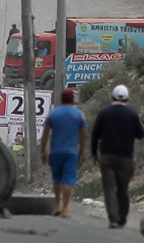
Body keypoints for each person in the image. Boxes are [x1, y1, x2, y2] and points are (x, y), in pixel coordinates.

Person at [90, 84, 144, 229]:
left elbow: (95, 134)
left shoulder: (104, 113)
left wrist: (94, 153)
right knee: (123, 189)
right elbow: (141, 134)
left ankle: (113, 219)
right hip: (125, 157)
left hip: (107, 156)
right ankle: (122, 217)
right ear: (127, 99)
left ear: (112, 97)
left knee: (109, 187)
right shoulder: (132, 114)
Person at [40, 89, 88, 218]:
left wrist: (43, 150)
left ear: (61, 99)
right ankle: (65, 207)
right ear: (73, 99)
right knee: (68, 180)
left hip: (55, 151)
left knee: (57, 178)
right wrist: (82, 153)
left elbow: (45, 133)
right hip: (71, 152)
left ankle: (57, 204)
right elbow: (84, 135)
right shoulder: (79, 114)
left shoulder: (53, 113)